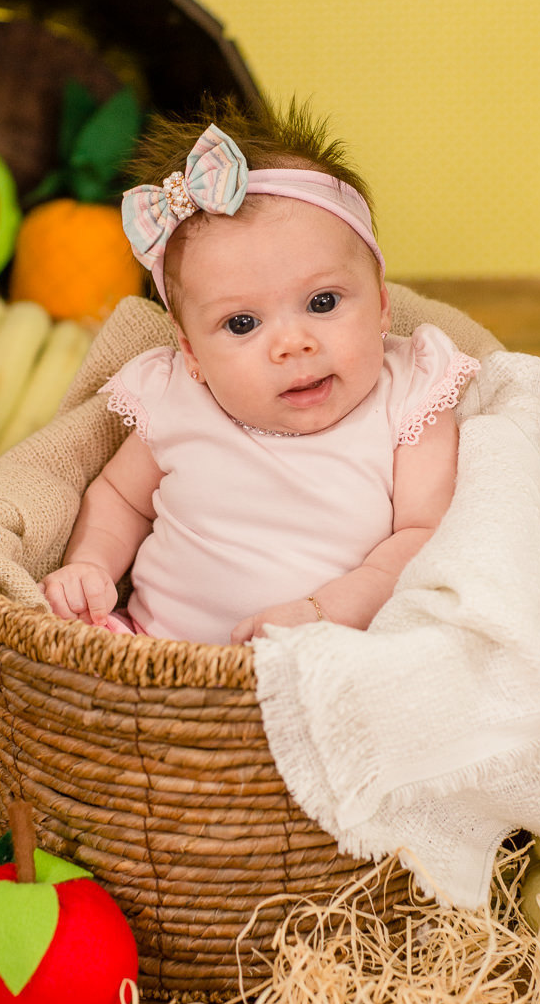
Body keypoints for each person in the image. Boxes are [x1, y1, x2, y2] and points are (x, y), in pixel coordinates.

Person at [39, 99, 479, 645]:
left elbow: (425, 533)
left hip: (329, 653)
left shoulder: (407, 396)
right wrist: (91, 566)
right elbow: (118, 498)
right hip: (153, 653)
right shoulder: (175, 397)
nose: (293, 344)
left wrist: (325, 611)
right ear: (191, 352)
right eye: (242, 323)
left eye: (322, 302)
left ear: (383, 306)